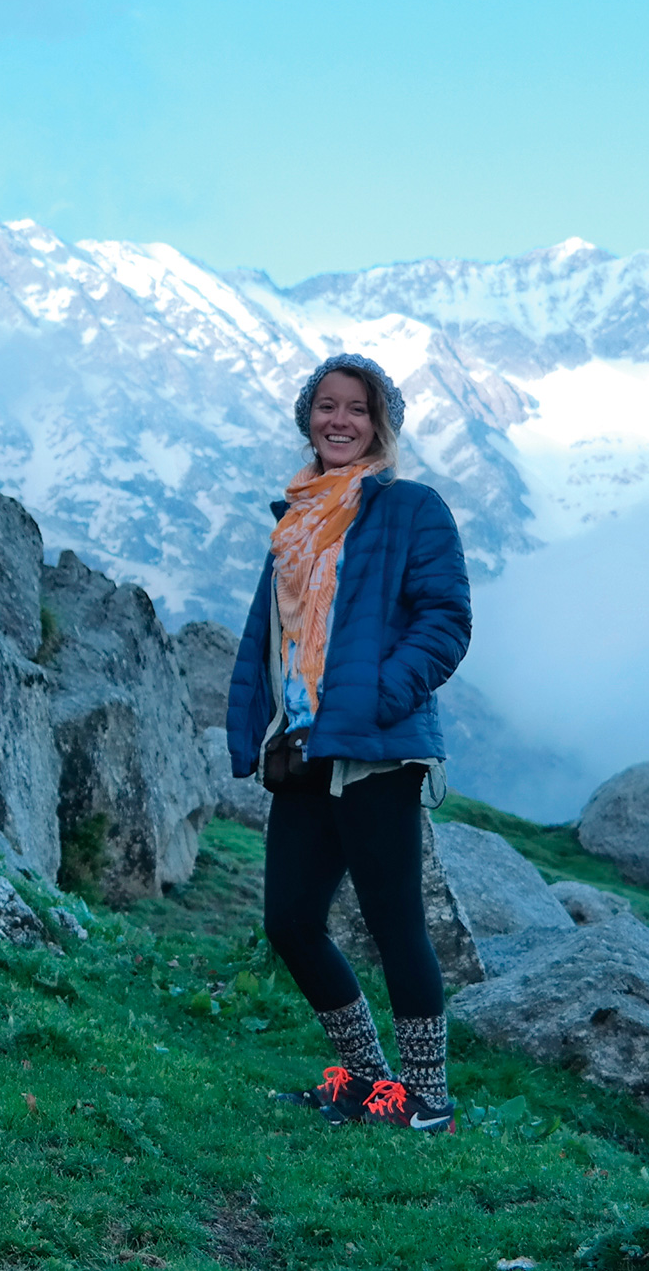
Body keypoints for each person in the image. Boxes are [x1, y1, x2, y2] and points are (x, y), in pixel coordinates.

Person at [225, 353, 472, 1132]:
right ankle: (370, 1084)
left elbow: (446, 621)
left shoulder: (411, 508)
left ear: (379, 426)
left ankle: (428, 1098)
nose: (339, 421)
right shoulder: (295, 519)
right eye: (326, 407)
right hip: (302, 745)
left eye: (356, 410)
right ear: (309, 418)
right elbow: (278, 636)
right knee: (291, 922)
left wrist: (379, 695)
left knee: (394, 919)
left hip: (377, 748)